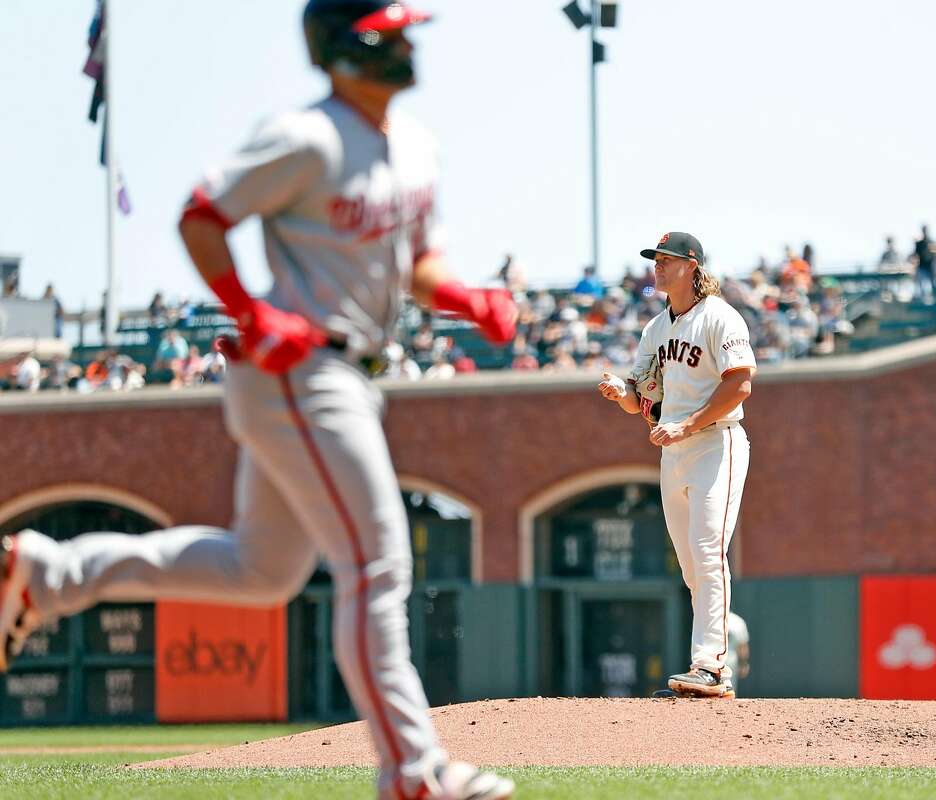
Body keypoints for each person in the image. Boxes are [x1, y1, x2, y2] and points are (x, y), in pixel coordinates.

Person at [0, 4, 516, 800]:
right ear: (351, 43)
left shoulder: (416, 146)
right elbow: (203, 215)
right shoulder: (306, 136)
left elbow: (418, 264)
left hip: (346, 371)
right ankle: (413, 773)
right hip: (299, 368)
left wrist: (469, 298)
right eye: (394, 29)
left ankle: (51, 570)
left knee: (261, 571)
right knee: (375, 566)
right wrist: (250, 307)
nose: (410, 41)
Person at [598, 232, 755, 699]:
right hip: (674, 448)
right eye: (655, 260)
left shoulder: (719, 317)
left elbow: (740, 385)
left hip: (716, 442)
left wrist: (685, 426)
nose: (657, 267)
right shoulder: (655, 329)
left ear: (691, 266)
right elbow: (641, 398)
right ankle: (707, 670)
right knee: (690, 566)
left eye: (666, 260)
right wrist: (620, 393)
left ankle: (710, 665)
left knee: (708, 553)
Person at [725, 611, 750, 696]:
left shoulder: (708, 618)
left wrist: (743, 664)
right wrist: (743, 664)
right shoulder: (737, 620)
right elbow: (742, 646)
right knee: (728, 690)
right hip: (730, 659)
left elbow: (742, 645)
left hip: (712, 658)